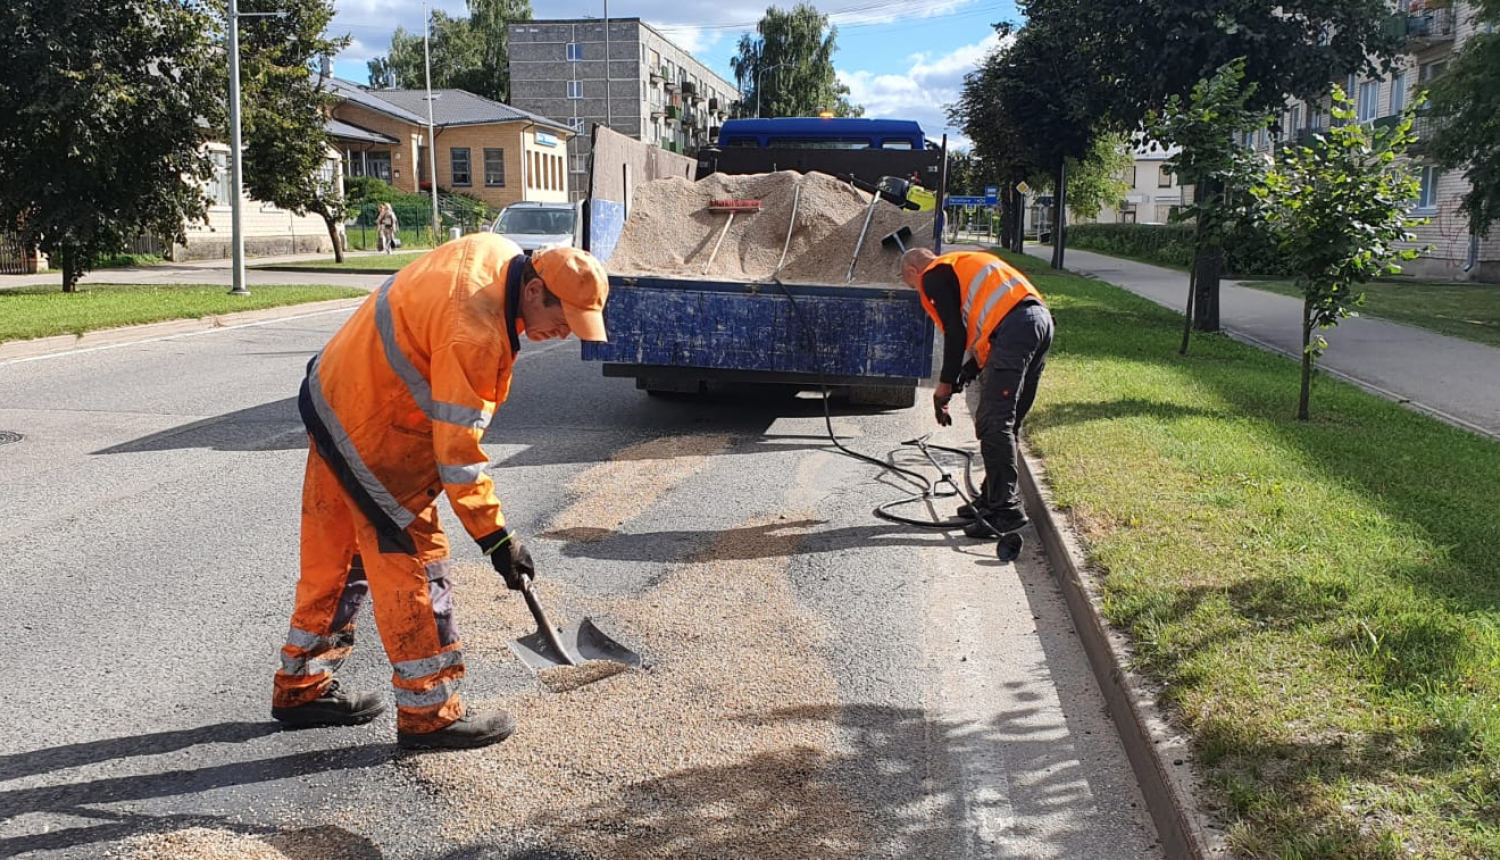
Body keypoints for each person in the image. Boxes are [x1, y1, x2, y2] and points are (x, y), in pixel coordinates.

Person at [270, 234, 610, 750]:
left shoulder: (496, 254)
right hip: (375, 431)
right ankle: (431, 711)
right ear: (536, 289)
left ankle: (302, 684)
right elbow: (457, 458)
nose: (562, 335)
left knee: (336, 558)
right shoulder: (473, 333)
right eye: (562, 320)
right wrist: (498, 539)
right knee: (419, 564)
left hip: (336, 397)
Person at [900, 248, 1053, 540]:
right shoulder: (961, 266)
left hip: (1015, 329)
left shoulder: (932, 274)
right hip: (1038, 323)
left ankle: (1005, 510)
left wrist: (943, 384)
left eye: (911, 285)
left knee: (994, 422)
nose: (919, 291)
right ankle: (991, 498)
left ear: (911, 271)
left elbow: (955, 333)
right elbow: (988, 331)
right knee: (1006, 423)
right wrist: (965, 374)